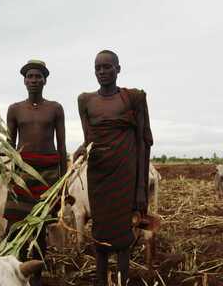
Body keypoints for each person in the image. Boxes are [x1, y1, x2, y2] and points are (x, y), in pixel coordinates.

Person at [76, 50, 153, 286]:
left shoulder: (134, 98)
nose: (102, 72)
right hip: (98, 176)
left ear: (118, 69)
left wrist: (140, 189)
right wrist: (81, 149)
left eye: (107, 67)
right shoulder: (85, 101)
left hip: (125, 175)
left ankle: (122, 280)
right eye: (98, 68)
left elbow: (144, 142)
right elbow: (90, 139)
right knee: (99, 232)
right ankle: (100, 280)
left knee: (122, 236)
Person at [4, 59, 67, 286]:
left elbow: (62, 147)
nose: (33, 80)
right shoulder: (15, 109)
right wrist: (10, 176)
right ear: (24, 80)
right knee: (15, 224)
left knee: (40, 225)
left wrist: (63, 179)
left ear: (45, 80)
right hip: (23, 172)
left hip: (48, 173)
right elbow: (10, 147)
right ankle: (16, 270)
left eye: (38, 76)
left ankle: (38, 275)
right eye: (30, 76)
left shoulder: (55, 108)